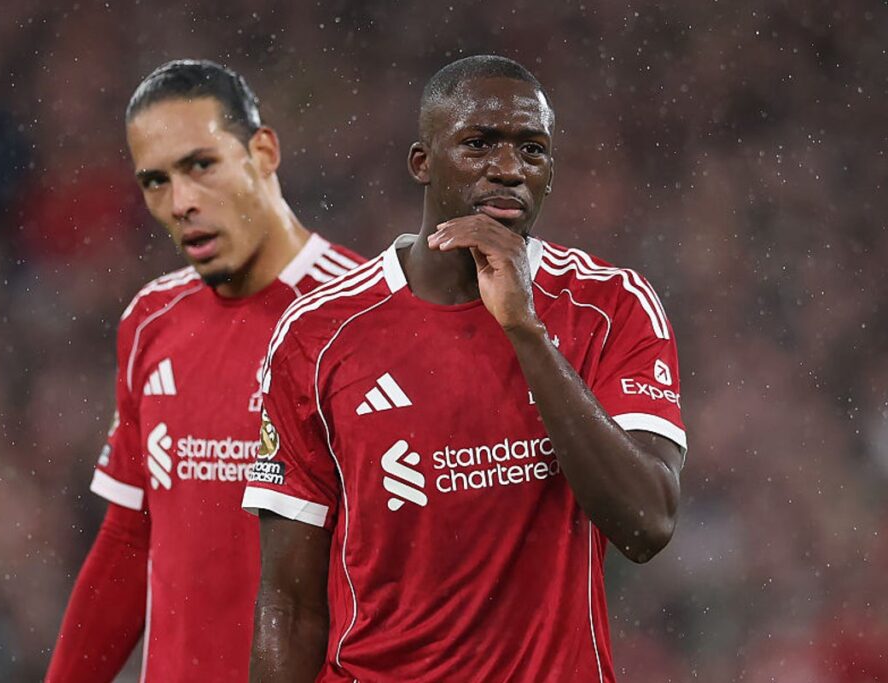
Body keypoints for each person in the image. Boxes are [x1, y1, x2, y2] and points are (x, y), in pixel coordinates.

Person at [242, 55, 686, 682]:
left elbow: (647, 524)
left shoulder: (610, 307)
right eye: (479, 144)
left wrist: (525, 330)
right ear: (422, 163)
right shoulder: (317, 334)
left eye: (532, 150)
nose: (508, 168)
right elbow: (288, 606)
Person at [45, 59, 363, 682]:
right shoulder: (150, 321)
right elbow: (130, 539)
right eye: (155, 181)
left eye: (201, 165)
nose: (181, 202)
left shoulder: (362, 317)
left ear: (263, 153)